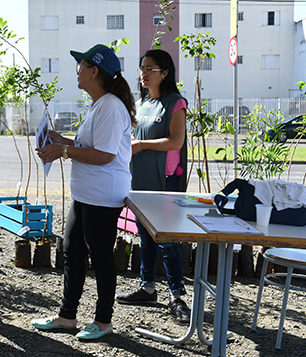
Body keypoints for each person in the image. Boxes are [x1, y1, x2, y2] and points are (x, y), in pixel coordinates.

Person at [32, 44, 136, 340]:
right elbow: (90, 145)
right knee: (72, 250)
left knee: (100, 255)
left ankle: (103, 321)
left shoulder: (112, 107)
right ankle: (67, 316)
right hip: (86, 194)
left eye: (82, 66)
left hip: (103, 196)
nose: (77, 71)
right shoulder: (100, 104)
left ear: (95, 71)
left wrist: (62, 150)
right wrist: (60, 139)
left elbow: (104, 155)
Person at [115, 49, 191, 323]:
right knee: (145, 237)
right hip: (141, 181)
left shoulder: (176, 103)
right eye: (142, 68)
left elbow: (175, 142)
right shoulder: (144, 103)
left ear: (165, 73)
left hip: (164, 182)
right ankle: (147, 287)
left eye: (150, 69)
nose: (143, 73)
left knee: (166, 239)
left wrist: (141, 145)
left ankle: (177, 296)